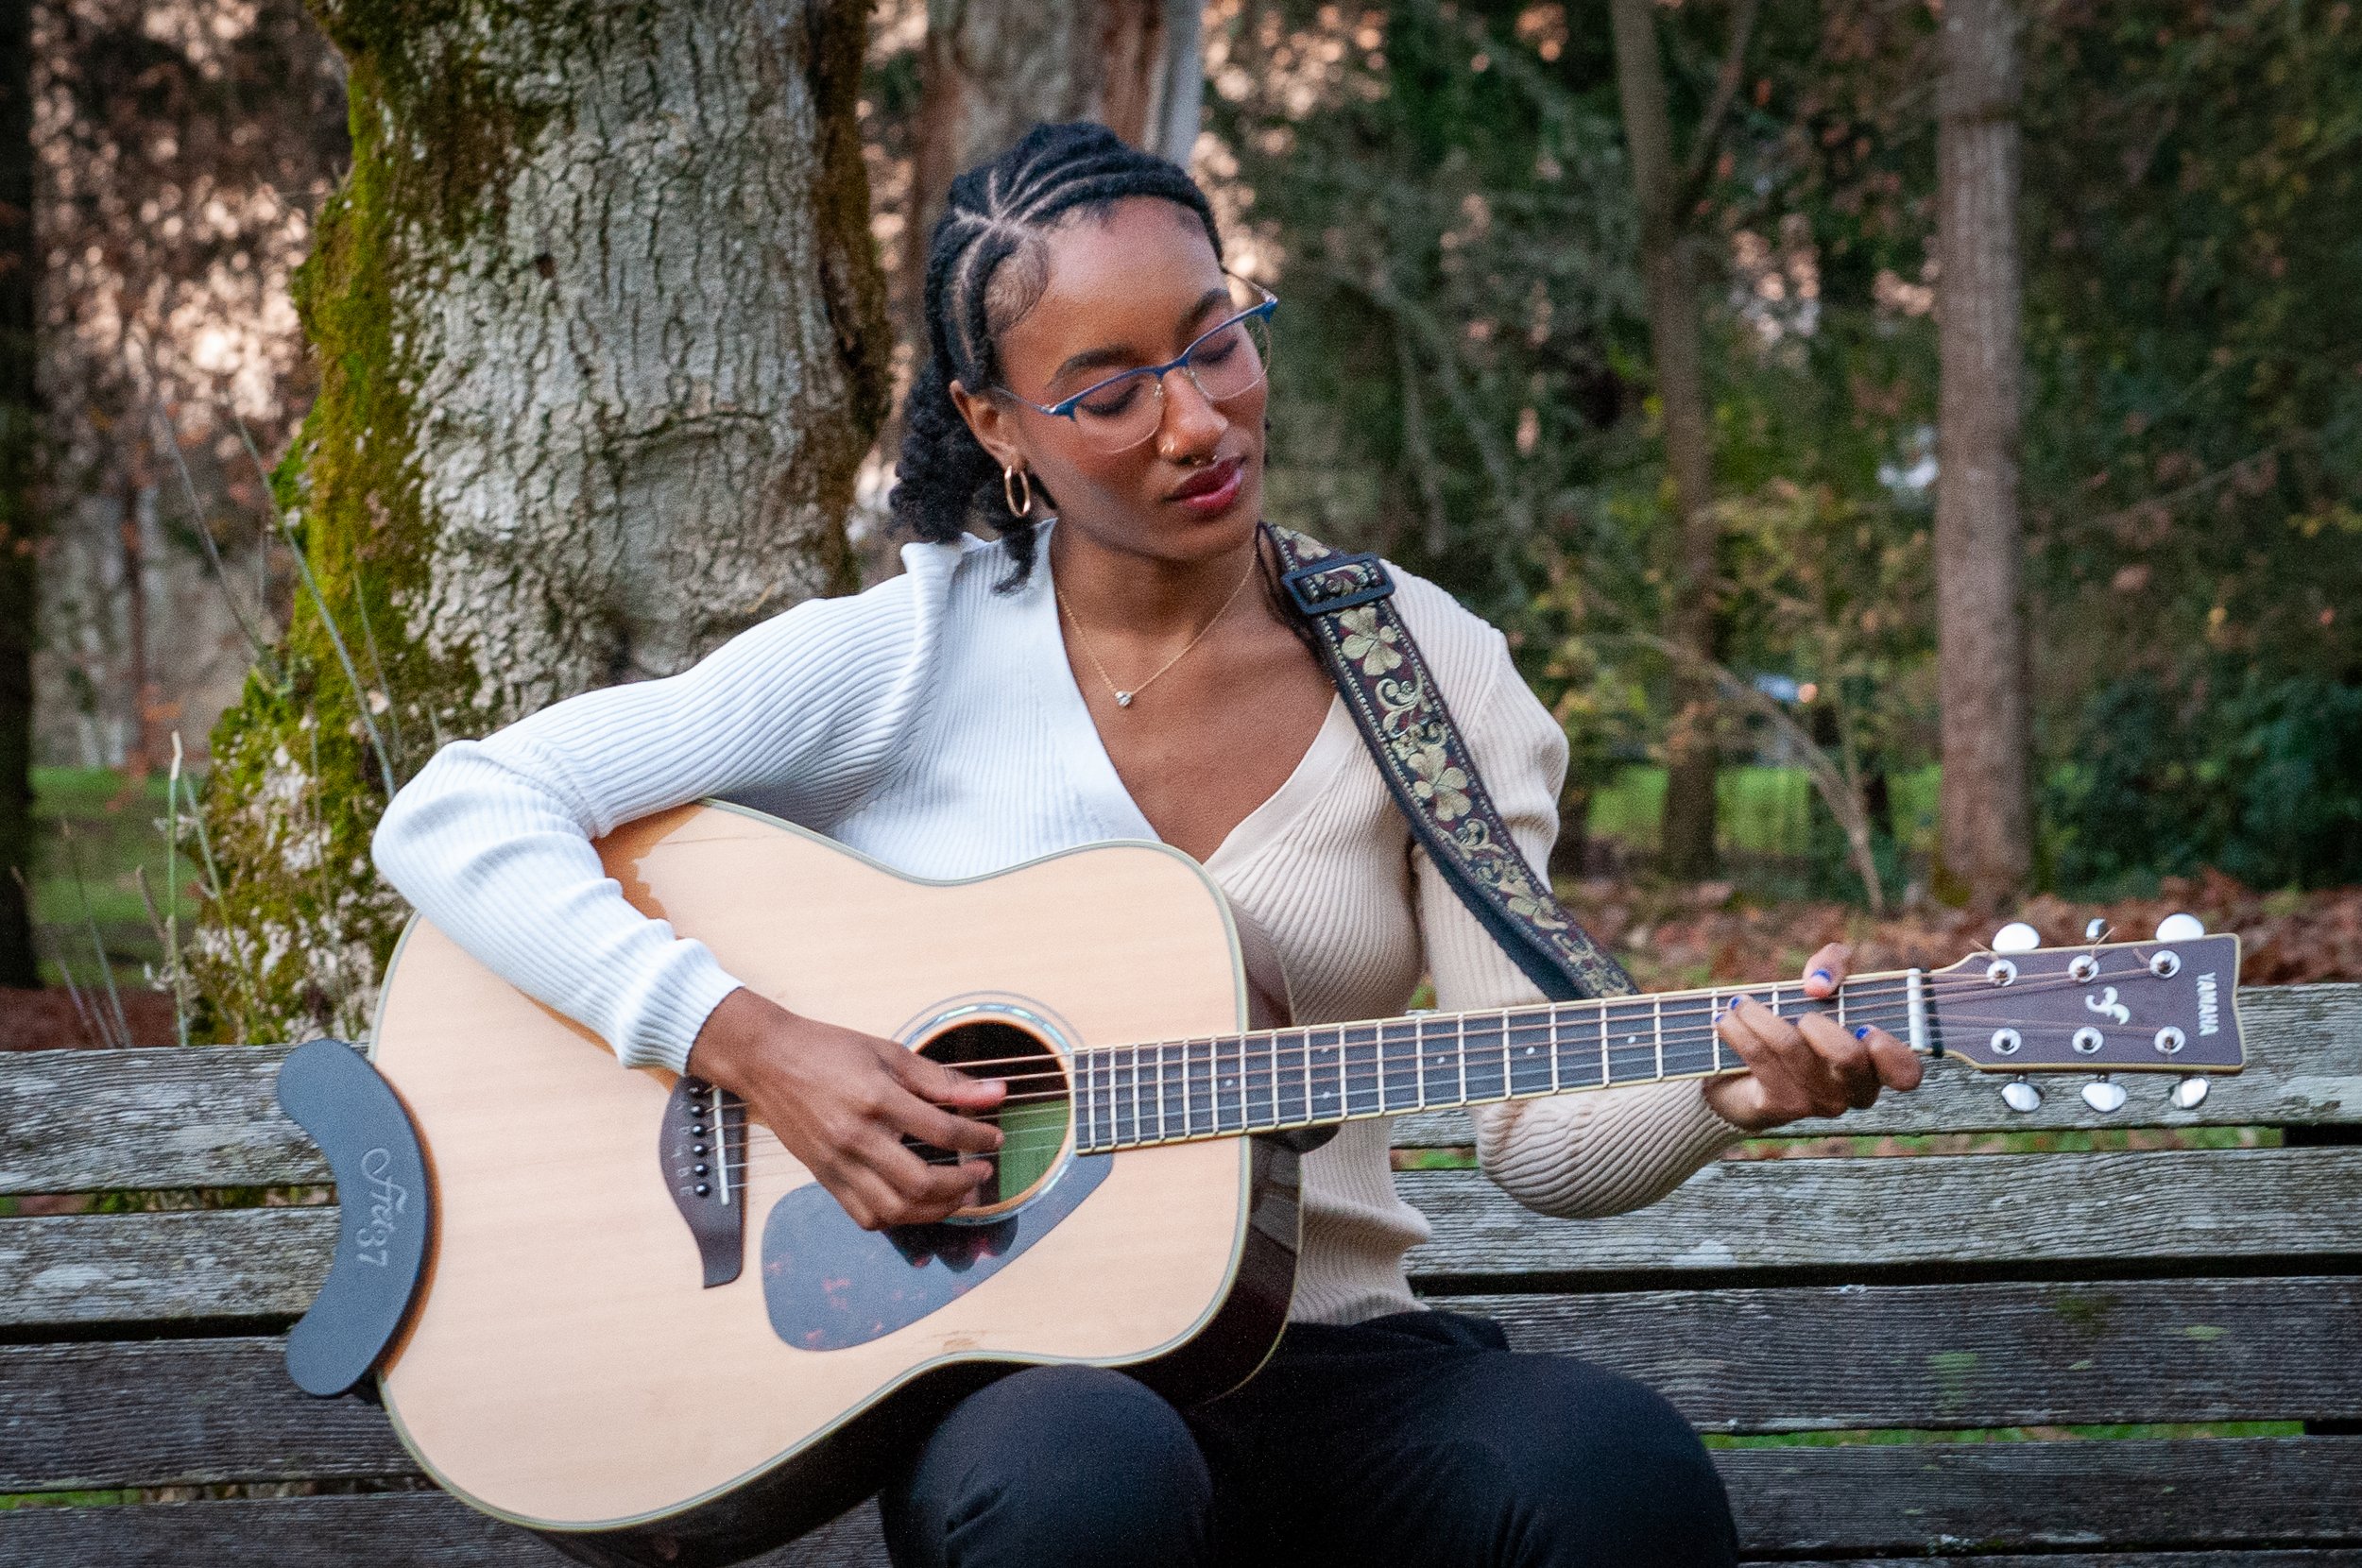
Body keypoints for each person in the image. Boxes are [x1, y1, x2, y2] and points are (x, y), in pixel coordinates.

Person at [373, 122, 1922, 1568]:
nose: (1198, 420)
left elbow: (1540, 1134)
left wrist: (1734, 1085)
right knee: (1084, 1479)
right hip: (1022, 1379)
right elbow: (461, 812)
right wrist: (751, 1043)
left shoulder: (1421, 668)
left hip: (1333, 1354)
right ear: (997, 425)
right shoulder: (908, 656)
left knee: (1612, 1471)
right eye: (1109, 391)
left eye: (1217, 341)